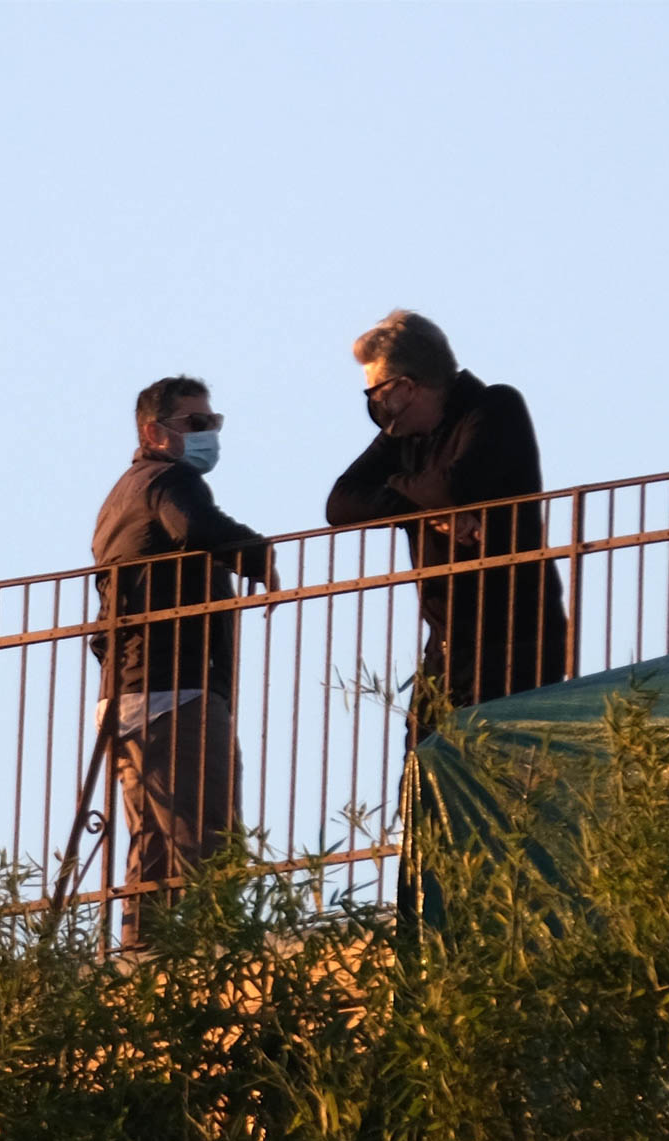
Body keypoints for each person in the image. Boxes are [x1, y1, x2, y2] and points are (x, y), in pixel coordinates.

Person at [91, 375, 278, 947]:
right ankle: (211, 950)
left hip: (127, 690)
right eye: (196, 423)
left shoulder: (120, 496)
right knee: (205, 831)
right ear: (155, 433)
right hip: (176, 686)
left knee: (153, 836)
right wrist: (258, 555)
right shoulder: (168, 479)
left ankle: (141, 956)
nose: (208, 433)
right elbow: (196, 528)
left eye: (212, 422)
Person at [326, 310, 567, 738]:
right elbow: (340, 503)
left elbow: (453, 488)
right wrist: (425, 511)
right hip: (445, 648)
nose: (375, 407)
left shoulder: (494, 407)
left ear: (406, 387)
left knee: (502, 767)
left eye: (376, 393)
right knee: (424, 771)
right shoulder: (402, 438)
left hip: (515, 640)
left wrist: (398, 485)